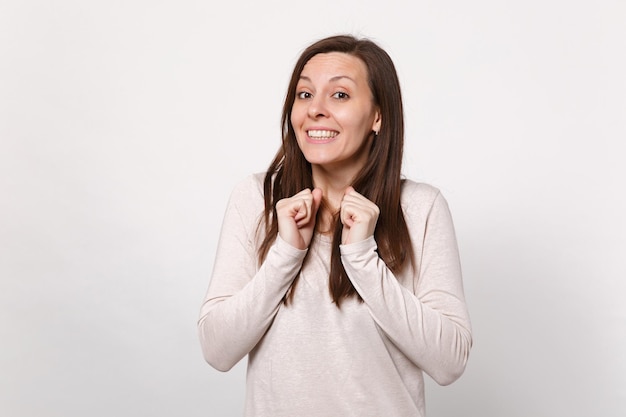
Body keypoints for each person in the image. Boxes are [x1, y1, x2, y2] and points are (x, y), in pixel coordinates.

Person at [198, 34, 472, 417]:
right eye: (305, 95)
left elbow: (450, 361)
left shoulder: (420, 207)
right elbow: (217, 349)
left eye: (340, 95)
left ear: (378, 116)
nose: (315, 110)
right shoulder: (257, 199)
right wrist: (286, 254)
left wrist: (362, 256)